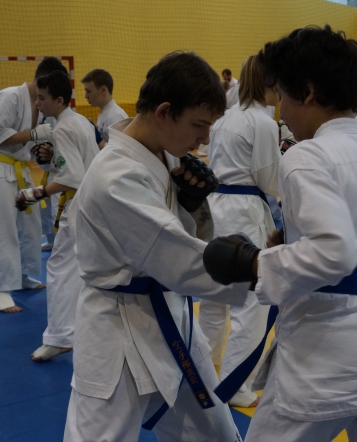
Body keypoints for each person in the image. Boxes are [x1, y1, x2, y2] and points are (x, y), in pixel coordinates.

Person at [204, 25, 357, 441]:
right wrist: (292, 244)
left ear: (307, 93)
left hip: (330, 357)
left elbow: (335, 252)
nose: (281, 112)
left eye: (282, 97)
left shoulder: (308, 155)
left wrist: (255, 263)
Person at [63, 52, 247, 442]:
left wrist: (190, 205)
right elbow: (175, 257)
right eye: (198, 125)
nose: (205, 138)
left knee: (216, 432)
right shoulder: (115, 175)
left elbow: (178, 238)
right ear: (164, 112)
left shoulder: (161, 155)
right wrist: (263, 269)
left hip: (171, 317)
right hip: (118, 328)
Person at [198, 55, 280, 408]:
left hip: (217, 208)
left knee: (215, 298)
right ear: (270, 83)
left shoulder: (226, 117)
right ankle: (236, 383)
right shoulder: (262, 122)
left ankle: (203, 369)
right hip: (245, 212)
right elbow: (270, 180)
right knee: (253, 305)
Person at [15, 70, 99, 361]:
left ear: (59, 99)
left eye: (42, 98)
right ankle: (80, 329)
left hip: (79, 205)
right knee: (82, 270)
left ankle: (60, 336)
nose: (38, 103)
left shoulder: (62, 128)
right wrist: (52, 160)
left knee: (59, 268)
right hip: (93, 204)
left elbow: (71, 177)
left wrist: (35, 193)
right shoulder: (80, 121)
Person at [0, 57, 66, 312]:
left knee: (30, 225)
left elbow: (35, 144)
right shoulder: (10, 97)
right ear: (42, 79)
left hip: (20, 168)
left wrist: (43, 151)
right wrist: (32, 134)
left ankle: (23, 275)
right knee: (4, 226)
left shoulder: (42, 105)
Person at [82, 68, 128, 147]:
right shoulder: (105, 113)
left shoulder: (115, 116)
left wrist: (98, 139)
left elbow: (121, 150)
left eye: (89, 91)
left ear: (103, 90)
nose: (86, 96)